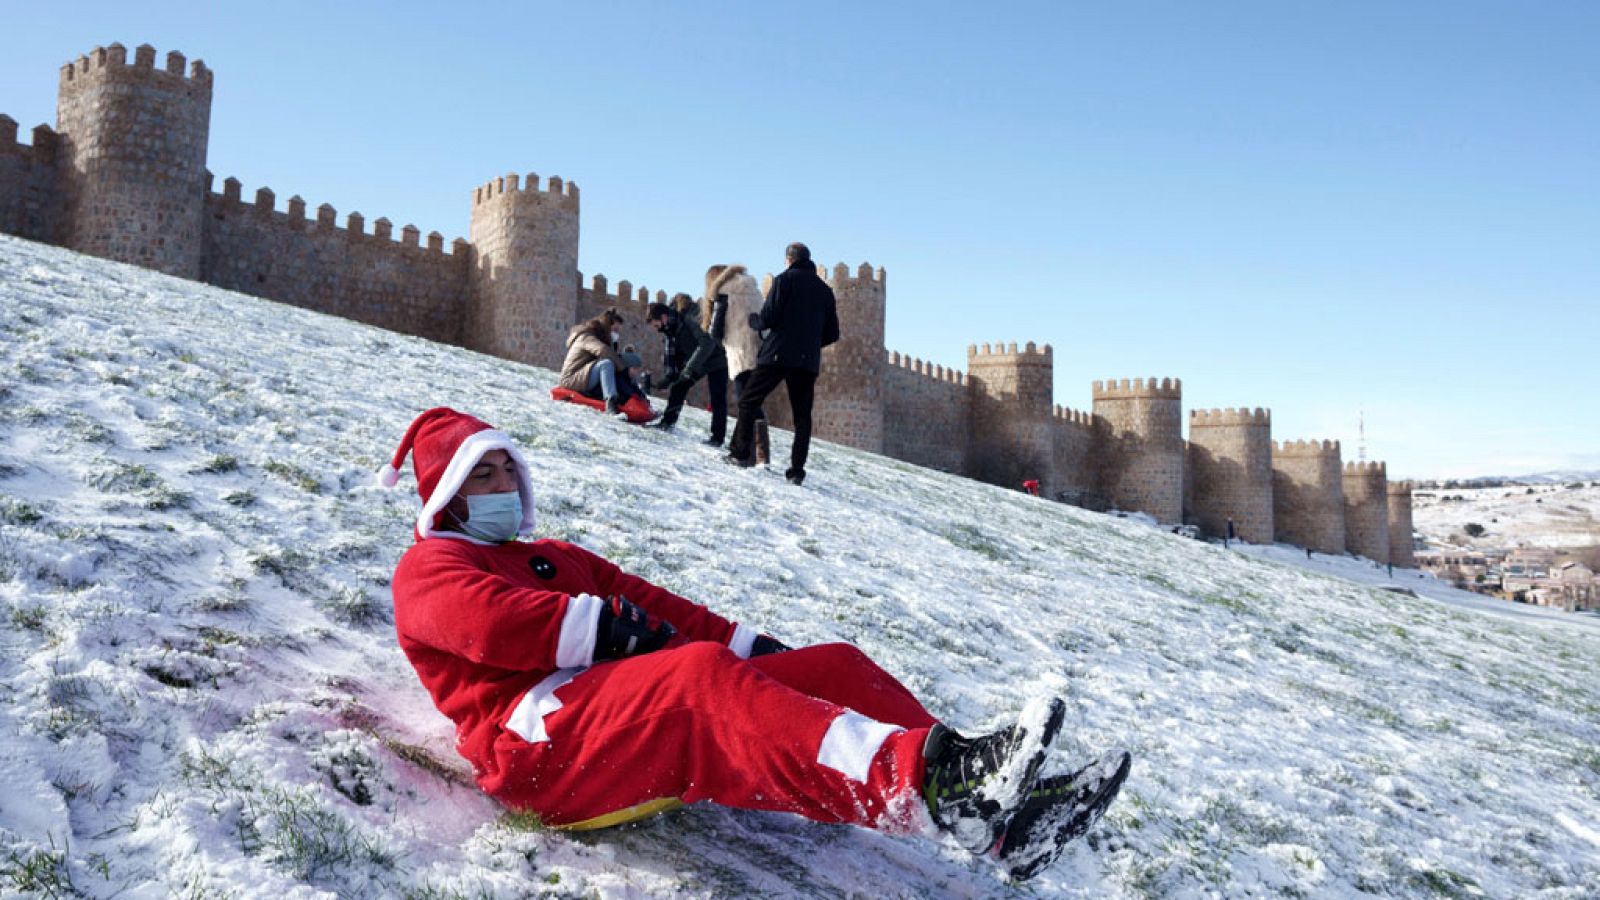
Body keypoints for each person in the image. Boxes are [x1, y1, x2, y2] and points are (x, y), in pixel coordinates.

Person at [378, 407, 1113, 871]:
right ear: (446, 493)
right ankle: (919, 782)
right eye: (484, 473)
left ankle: (996, 815)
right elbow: (494, 624)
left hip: (606, 718)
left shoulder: (557, 555)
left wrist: (760, 654)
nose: (504, 480)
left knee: (831, 664)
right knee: (697, 677)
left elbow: (650, 602)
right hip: (537, 754)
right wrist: (612, 634)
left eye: (510, 465)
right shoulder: (431, 566)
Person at [725, 242, 840, 486]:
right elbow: (833, 333)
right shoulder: (825, 291)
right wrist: (808, 344)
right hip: (807, 361)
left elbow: (768, 318)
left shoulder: (784, 280)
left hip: (778, 354)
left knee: (749, 400)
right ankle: (796, 471)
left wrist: (755, 321)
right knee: (802, 417)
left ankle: (739, 453)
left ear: (789, 259)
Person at [705, 263, 770, 464]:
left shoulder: (723, 294)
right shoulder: (755, 291)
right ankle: (753, 452)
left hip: (740, 354)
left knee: (747, 404)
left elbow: (715, 332)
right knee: (751, 402)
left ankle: (752, 454)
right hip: (760, 353)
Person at [646, 296, 728, 445]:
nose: (658, 330)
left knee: (718, 398)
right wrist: (668, 379)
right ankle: (668, 422)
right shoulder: (671, 330)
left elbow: (707, 344)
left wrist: (689, 369)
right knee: (679, 386)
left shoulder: (689, 319)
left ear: (664, 317)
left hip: (717, 358)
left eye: (657, 325)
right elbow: (676, 358)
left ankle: (717, 438)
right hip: (700, 362)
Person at [559, 308, 636, 419]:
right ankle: (611, 406)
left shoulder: (599, 337)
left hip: (583, 376)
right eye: (615, 329)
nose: (616, 333)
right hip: (571, 379)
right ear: (607, 326)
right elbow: (602, 350)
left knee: (610, 363)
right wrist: (623, 369)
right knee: (606, 364)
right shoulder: (587, 336)